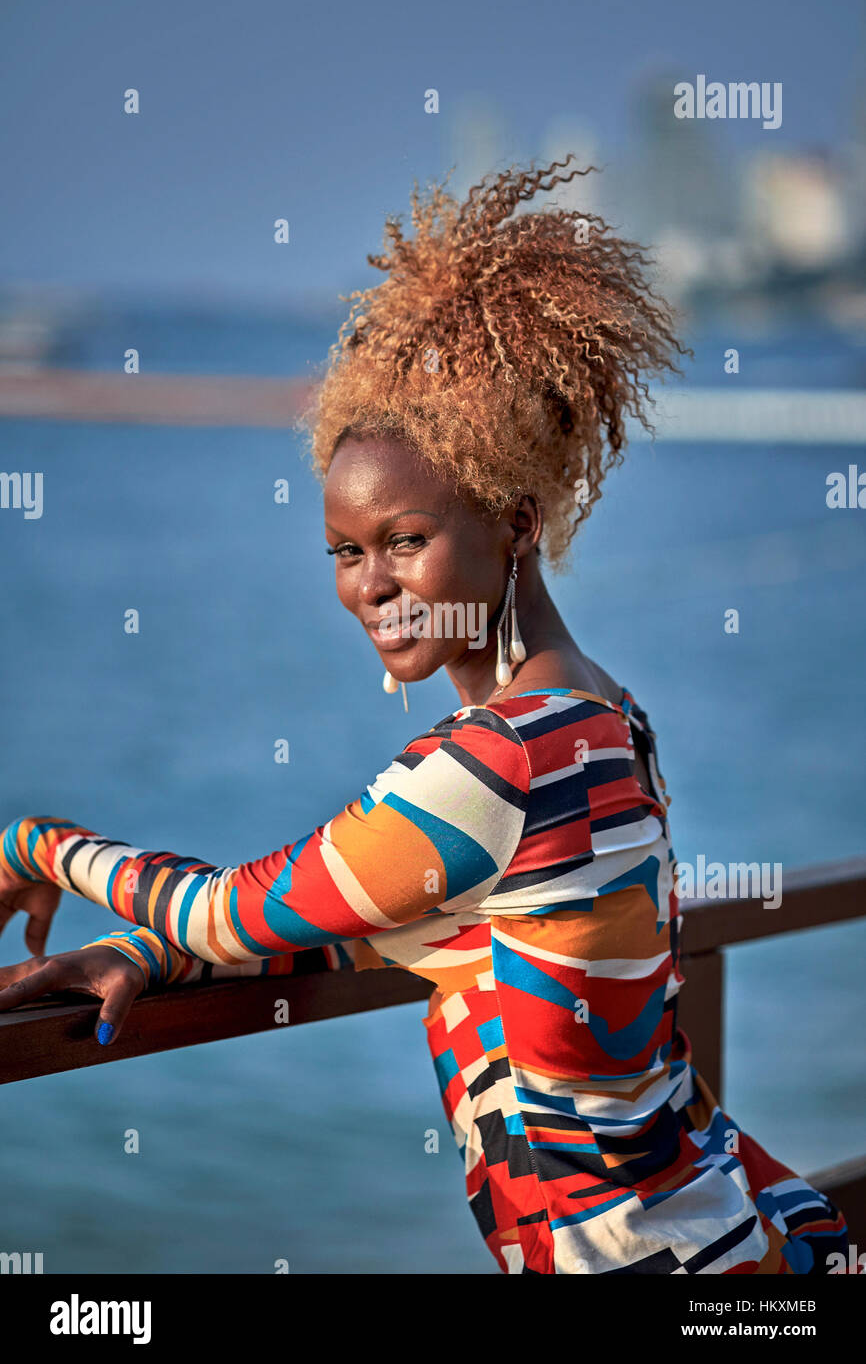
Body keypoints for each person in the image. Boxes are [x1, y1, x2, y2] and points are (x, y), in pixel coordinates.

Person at [0, 159, 849, 1275]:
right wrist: (148, 956)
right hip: (719, 1231)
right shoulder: (603, 716)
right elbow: (375, 922)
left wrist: (36, 845)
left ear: (512, 518)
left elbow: (228, 910)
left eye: (405, 539)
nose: (371, 585)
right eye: (345, 552)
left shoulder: (499, 760)